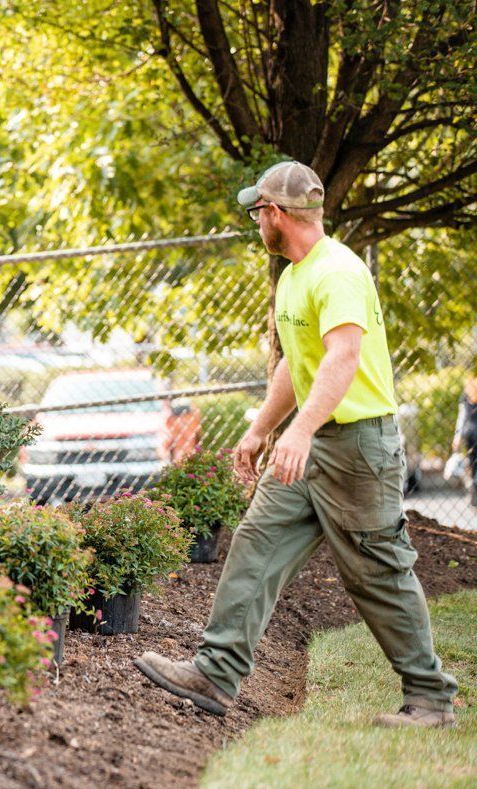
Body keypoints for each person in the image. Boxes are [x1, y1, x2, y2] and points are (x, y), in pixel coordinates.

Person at [134, 161, 457, 728]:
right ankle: (216, 670)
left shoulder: (337, 272)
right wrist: (262, 428)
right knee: (257, 540)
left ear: (276, 213)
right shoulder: (292, 274)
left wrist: (300, 430)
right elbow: (295, 362)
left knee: (376, 571)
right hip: (315, 442)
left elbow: (343, 358)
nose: (255, 221)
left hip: (360, 449)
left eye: (257, 211)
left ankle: (430, 699)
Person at [452, 376, 477, 506]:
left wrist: (457, 437)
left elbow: (461, 417)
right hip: (472, 433)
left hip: (469, 433)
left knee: (472, 464)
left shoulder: (466, 394)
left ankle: (473, 487)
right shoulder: (467, 394)